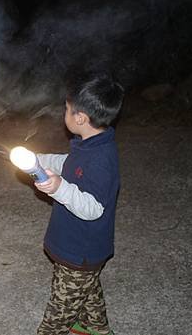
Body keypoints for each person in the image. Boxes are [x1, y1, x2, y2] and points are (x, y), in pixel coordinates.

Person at [33, 74, 124, 335]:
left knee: (58, 315)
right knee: (86, 289)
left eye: (67, 110)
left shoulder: (102, 160)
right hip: (74, 247)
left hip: (81, 250)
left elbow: (93, 208)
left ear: (80, 118)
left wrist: (58, 188)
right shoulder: (89, 144)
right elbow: (71, 165)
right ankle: (93, 327)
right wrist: (39, 160)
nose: (65, 113)